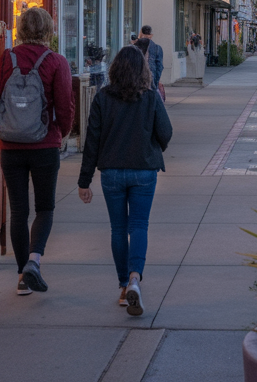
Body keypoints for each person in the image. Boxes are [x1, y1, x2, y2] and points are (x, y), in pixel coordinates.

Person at [77, 45, 173, 315]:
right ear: (144, 70)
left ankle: (122, 287)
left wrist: (84, 181)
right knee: (139, 226)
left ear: (115, 68)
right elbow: (166, 133)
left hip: (112, 173)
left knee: (118, 229)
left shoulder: (102, 98)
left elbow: (91, 142)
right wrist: (150, 148)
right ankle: (134, 279)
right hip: (144, 171)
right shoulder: (151, 97)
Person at [0, 7, 74, 296]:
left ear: (20, 29)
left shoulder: (3, 59)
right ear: (48, 30)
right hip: (45, 145)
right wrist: (62, 131)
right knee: (45, 208)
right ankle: (35, 260)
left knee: (18, 211)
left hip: (10, 146)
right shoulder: (56, 62)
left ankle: (23, 276)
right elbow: (65, 106)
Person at [138, 25, 165, 99]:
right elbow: (159, 67)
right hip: (151, 81)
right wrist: (155, 84)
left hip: (136, 81)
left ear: (141, 34)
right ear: (151, 35)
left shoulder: (134, 47)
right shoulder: (157, 48)